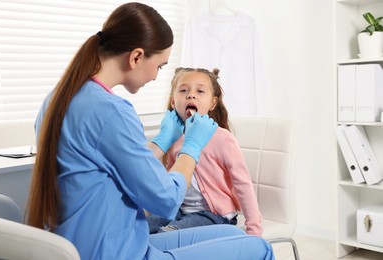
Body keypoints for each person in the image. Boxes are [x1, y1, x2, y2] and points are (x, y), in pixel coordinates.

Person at [26, 2, 274, 260]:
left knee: (234, 235)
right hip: (117, 253)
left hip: (87, 244)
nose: (156, 77)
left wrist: (159, 144)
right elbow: (166, 200)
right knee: (260, 248)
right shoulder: (112, 111)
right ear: (136, 57)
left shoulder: (57, 99)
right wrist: (192, 146)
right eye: (159, 66)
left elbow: (118, 167)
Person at [147, 67, 262, 236]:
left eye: (200, 91)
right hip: (180, 210)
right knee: (140, 228)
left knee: (169, 234)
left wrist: (254, 229)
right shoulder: (171, 138)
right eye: (183, 90)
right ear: (173, 102)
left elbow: (242, 184)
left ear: (212, 103)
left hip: (215, 214)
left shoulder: (223, 139)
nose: (191, 95)